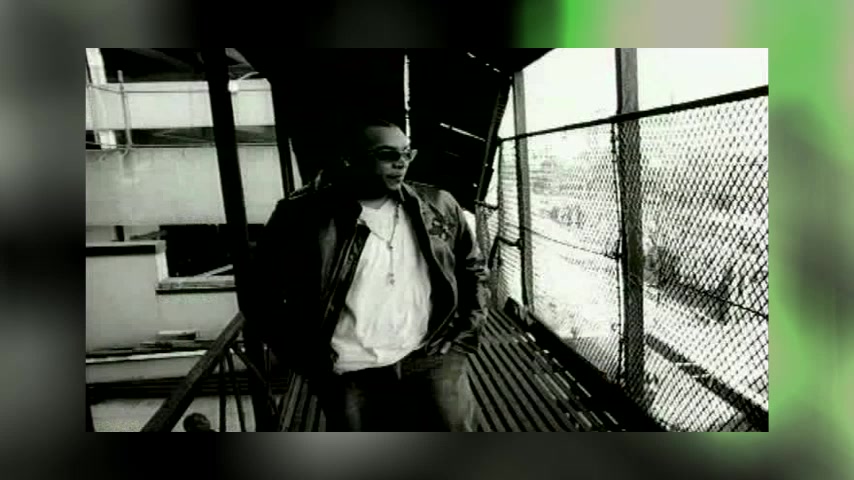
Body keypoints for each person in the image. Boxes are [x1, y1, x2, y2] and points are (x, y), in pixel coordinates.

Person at [249, 117, 489, 431]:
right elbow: (259, 295)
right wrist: (306, 359)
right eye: (388, 154)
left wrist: (465, 332)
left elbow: (472, 269)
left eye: (407, 153)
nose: (401, 163)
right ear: (349, 159)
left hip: (431, 354)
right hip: (349, 369)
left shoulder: (438, 205)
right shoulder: (302, 216)